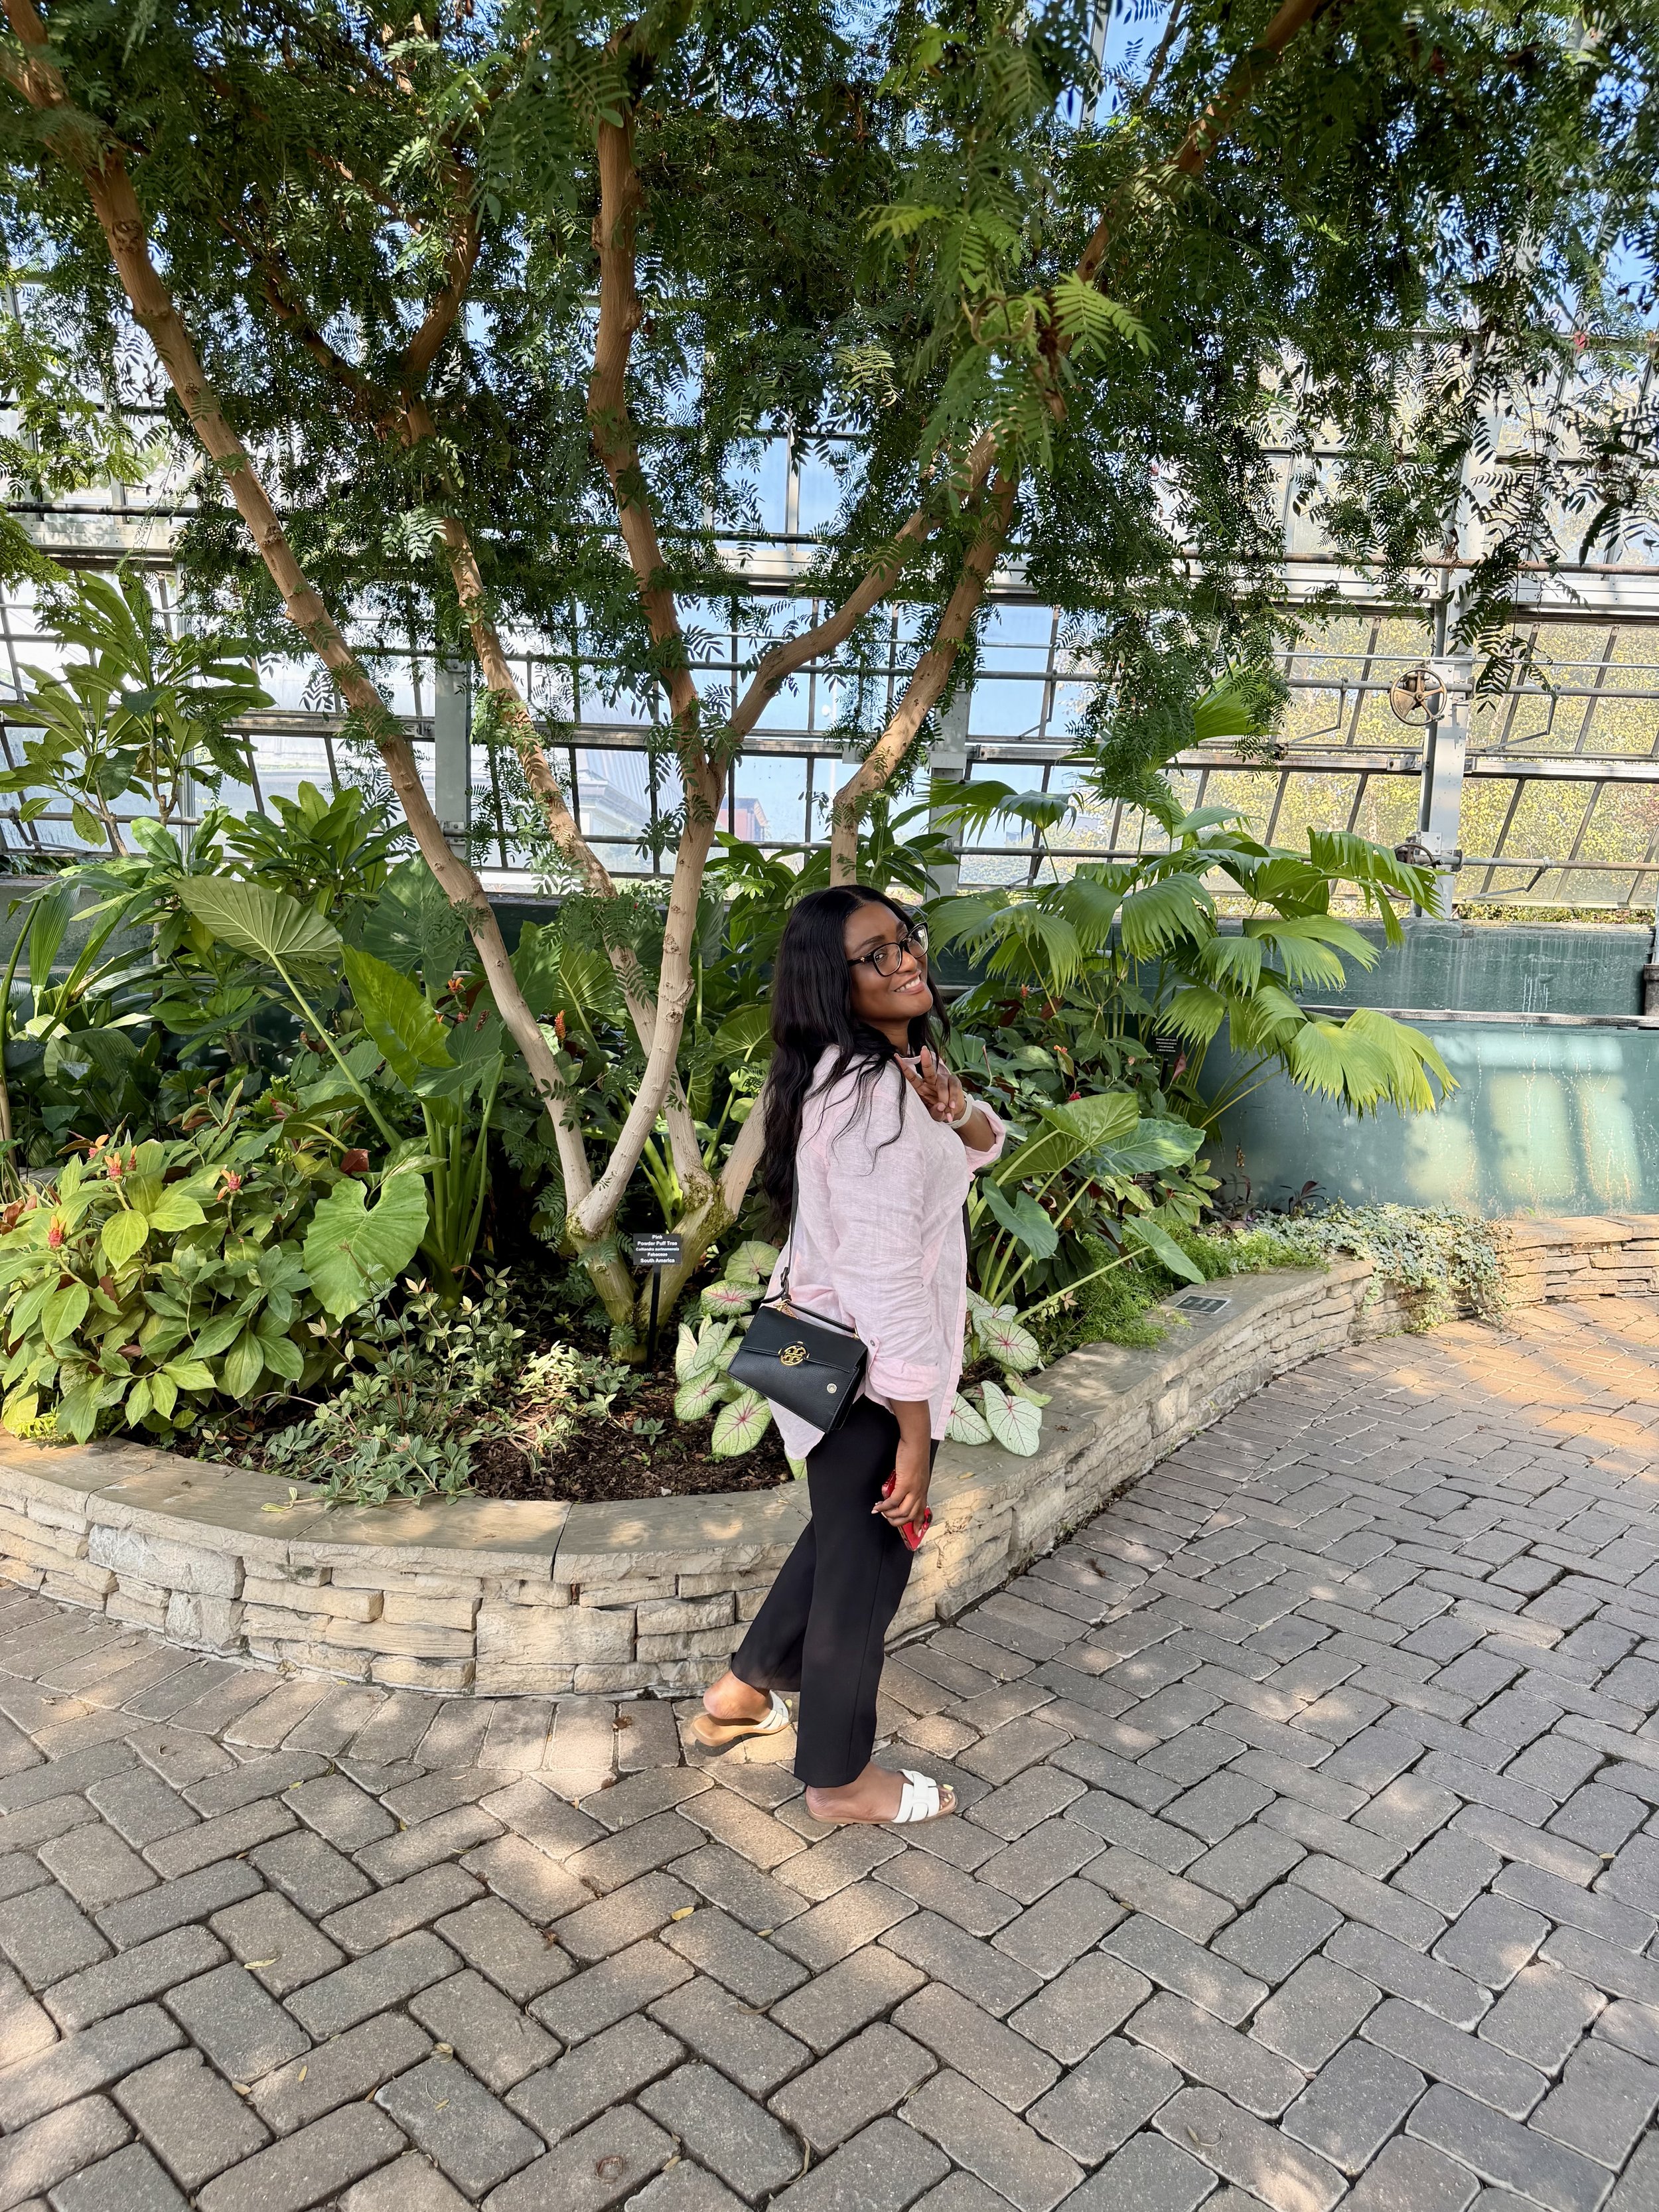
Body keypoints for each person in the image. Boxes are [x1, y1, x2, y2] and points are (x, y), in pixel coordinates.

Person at [693, 885, 1004, 1825]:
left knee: (839, 1538)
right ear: (835, 982)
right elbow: (884, 1284)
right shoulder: (869, 1103)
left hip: (822, 1350)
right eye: (874, 954)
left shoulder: (882, 1070)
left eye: (903, 939)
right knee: (864, 1571)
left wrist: (958, 1115)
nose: (905, 958)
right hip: (869, 1375)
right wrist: (915, 1428)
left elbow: (976, 1150)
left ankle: (742, 1694)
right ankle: (838, 1779)